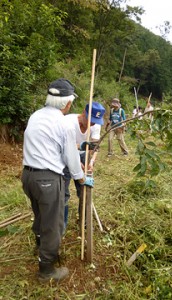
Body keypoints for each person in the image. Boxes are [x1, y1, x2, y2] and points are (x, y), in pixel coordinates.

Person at [21, 78, 94, 283]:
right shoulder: (63, 124)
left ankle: (40, 244)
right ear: (68, 103)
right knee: (54, 224)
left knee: (40, 214)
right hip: (47, 179)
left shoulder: (35, 116)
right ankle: (46, 269)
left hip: (28, 176)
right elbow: (70, 158)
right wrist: (81, 179)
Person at [63, 102, 105, 230]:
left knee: (84, 190)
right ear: (83, 112)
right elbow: (65, 148)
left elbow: (94, 147)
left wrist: (90, 162)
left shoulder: (95, 126)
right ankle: (61, 224)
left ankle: (84, 222)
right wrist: (76, 160)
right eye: (90, 120)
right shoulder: (67, 122)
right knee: (62, 192)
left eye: (95, 121)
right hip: (64, 156)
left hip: (83, 155)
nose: (92, 124)